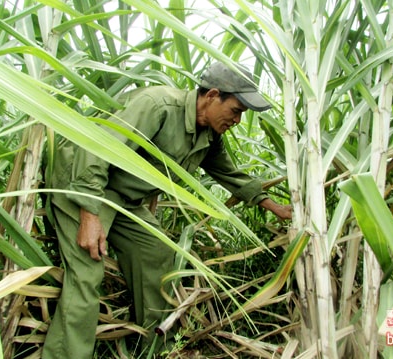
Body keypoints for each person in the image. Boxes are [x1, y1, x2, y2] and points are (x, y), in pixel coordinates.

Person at [42, 61, 292, 359]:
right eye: (236, 110)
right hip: (83, 185)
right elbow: (99, 147)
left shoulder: (208, 134)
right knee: (87, 272)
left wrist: (275, 207)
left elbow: (230, 174)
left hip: (123, 197)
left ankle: (155, 348)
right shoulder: (157, 105)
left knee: (155, 251)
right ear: (212, 95)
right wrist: (89, 214)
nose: (237, 120)